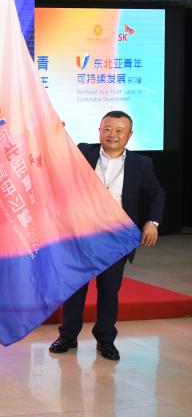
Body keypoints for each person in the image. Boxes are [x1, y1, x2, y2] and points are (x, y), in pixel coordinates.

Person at [49, 110, 164, 361]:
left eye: (119, 131)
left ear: (130, 135)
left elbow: (157, 194)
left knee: (109, 291)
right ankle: (68, 336)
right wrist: (55, 133)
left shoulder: (141, 164)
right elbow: (59, 155)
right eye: (108, 129)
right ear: (99, 131)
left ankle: (106, 340)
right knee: (74, 289)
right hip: (82, 234)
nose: (113, 135)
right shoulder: (84, 152)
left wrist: (152, 222)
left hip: (116, 237)